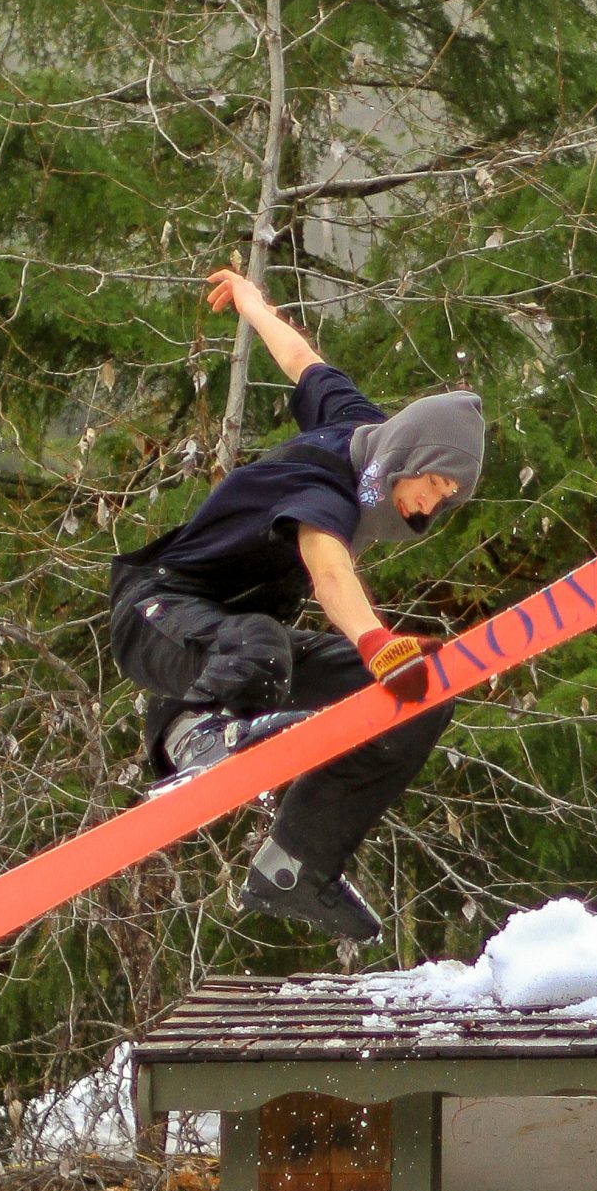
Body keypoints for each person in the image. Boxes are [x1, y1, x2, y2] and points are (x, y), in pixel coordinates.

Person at [108, 261, 486, 944]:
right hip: (157, 613)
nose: (432, 505)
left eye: (447, 499)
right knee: (262, 642)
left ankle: (297, 863)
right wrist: (376, 643)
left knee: (424, 692)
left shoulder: (356, 423)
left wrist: (253, 302)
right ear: (412, 453)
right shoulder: (330, 490)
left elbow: (301, 359)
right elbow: (327, 567)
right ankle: (196, 738)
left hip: (241, 651)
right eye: (435, 483)